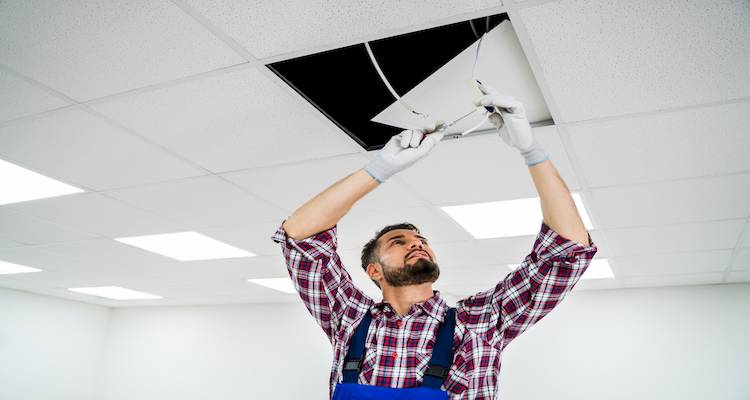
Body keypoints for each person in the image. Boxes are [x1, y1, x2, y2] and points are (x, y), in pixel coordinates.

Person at [272, 89, 598, 400]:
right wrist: (379, 169)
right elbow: (301, 236)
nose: (417, 245)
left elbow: (567, 252)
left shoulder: (481, 321)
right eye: (399, 242)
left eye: (421, 241)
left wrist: (533, 152)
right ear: (374, 270)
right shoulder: (349, 316)